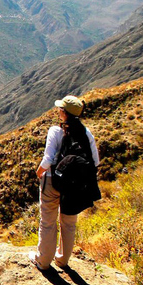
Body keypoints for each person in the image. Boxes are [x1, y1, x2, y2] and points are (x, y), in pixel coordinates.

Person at [29, 95, 100, 270]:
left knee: (48, 222)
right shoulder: (86, 133)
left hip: (53, 181)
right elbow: (95, 162)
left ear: (64, 112)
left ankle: (43, 261)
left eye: (60, 109)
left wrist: (39, 173)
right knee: (68, 223)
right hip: (74, 186)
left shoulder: (55, 131)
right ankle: (62, 260)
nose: (58, 111)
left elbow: (47, 159)